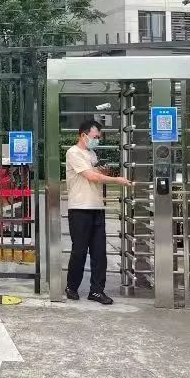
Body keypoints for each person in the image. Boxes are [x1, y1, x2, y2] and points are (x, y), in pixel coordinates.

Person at [65, 120, 133, 305]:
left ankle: (96, 290)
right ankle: (71, 287)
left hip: (96, 207)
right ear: (83, 135)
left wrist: (102, 171)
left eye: (98, 137)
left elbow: (96, 173)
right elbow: (91, 176)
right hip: (80, 208)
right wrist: (117, 180)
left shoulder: (91, 154)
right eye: (95, 137)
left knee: (99, 252)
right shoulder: (73, 152)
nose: (97, 140)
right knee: (79, 251)